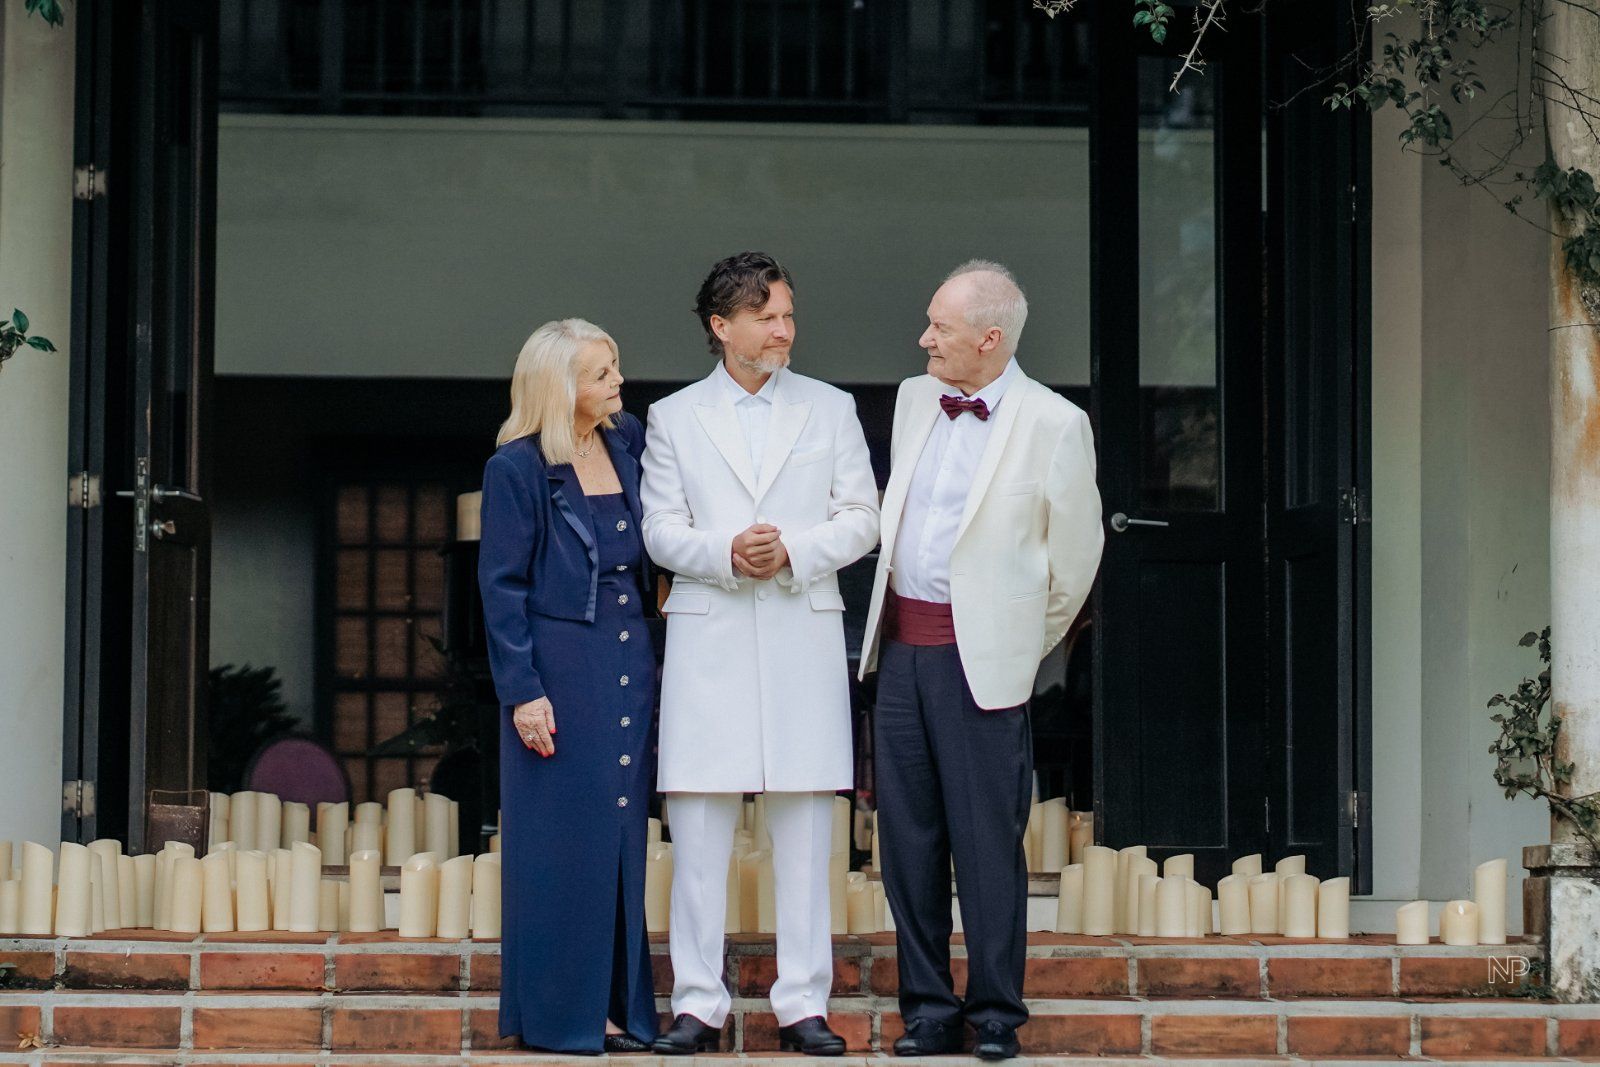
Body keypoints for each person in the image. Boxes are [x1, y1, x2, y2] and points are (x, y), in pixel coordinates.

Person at [858, 261, 1105, 1061]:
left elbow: (1075, 564)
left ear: (990, 338)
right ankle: (928, 1009)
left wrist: (1012, 643)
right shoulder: (912, 398)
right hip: (902, 652)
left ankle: (996, 1011)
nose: (924, 339)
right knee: (909, 844)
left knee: (987, 843)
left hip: (981, 663)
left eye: (940, 326)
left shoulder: (1056, 423)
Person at [641, 252, 879, 1056]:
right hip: (708, 638)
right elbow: (659, 527)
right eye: (767, 317)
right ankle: (697, 1004)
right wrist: (724, 551)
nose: (785, 330)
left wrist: (795, 550)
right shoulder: (673, 417)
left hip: (799, 631)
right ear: (722, 326)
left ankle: (803, 1003)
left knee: (807, 834)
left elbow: (863, 516)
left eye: (788, 315)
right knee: (699, 837)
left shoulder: (831, 407)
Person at [477, 318, 657, 1054]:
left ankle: (619, 1006)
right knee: (562, 841)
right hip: (559, 669)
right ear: (559, 388)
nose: (618, 382)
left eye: (615, 366)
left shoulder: (628, 440)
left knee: (621, 834)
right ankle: (562, 1014)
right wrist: (522, 690)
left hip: (632, 658)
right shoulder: (516, 468)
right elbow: (501, 588)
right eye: (600, 374)